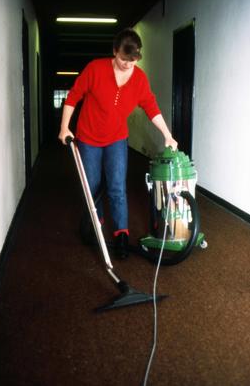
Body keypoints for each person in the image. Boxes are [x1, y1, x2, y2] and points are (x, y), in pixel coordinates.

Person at [58, 28, 178, 259]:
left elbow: (151, 108)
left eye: (132, 60)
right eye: (123, 58)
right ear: (115, 52)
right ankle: (96, 224)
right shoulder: (95, 69)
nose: (127, 64)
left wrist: (167, 134)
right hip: (88, 137)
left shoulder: (140, 79)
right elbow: (73, 97)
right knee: (91, 186)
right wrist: (65, 128)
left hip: (116, 138)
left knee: (116, 187)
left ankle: (121, 234)